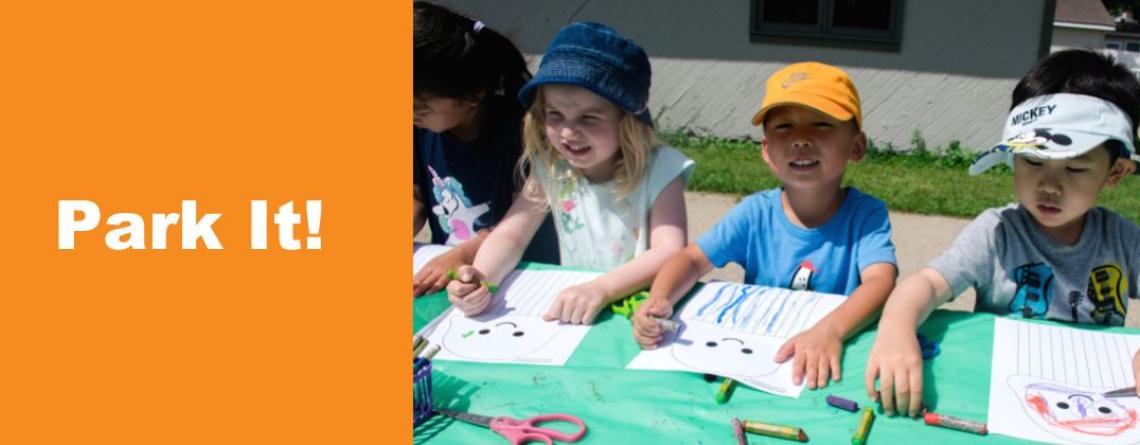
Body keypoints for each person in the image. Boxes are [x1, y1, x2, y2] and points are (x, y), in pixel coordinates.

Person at [866, 49, 1140, 417]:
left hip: (1096, 401)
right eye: (1032, 161)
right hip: (1002, 393)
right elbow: (927, 285)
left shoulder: (1123, 239)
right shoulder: (997, 232)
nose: (1050, 186)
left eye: (1074, 169)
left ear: (1116, 172)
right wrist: (896, 329)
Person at [633, 62, 898, 390]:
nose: (801, 139)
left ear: (856, 146)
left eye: (821, 124)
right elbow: (690, 259)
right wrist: (659, 300)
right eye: (784, 127)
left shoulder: (866, 215)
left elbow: (881, 283)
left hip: (826, 361)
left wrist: (830, 331)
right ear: (767, 151)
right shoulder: (754, 213)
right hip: (760, 358)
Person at [447, 22, 694, 325]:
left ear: (628, 119)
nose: (567, 131)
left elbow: (670, 251)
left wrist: (601, 288)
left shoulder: (661, 168)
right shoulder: (553, 167)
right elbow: (511, 234)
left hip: (641, 311)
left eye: (588, 117)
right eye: (555, 115)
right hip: (576, 309)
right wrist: (482, 278)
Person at [412, 1, 558, 297]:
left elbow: (521, 226)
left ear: (473, 93)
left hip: (519, 281)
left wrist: (465, 255)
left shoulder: (523, 131)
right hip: (447, 276)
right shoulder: (421, 127)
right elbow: (414, 197)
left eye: (420, 107)